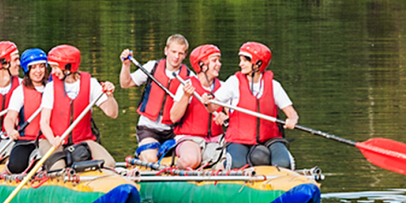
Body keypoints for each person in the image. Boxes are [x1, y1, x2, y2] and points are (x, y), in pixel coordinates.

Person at [212, 41, 299, 169]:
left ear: (258, 63)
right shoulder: (234, 82)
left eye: (245, 61)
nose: (240, 64)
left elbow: (292, 113)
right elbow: (212, 106)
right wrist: (208, 102)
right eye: (240, 60)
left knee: (284, 163)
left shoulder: (274, 85)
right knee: (237, 165)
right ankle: (223, 165)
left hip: (269, 138)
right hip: (239, 139)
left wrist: (292, 120)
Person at [38, 44, 119, 170]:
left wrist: (110, 96)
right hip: (53, 140)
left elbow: (112, 113)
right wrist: (52, 139)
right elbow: (44, 122)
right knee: (58, 169)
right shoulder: (51, 87)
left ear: (67, 67)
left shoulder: (91, 84)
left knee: (109, 163)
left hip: (83, 140)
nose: (52, 72)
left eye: (55, 67)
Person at [118, 34, 193, 163]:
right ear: (166, 50)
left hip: (174, 131)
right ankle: (143, 156)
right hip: (148, 128)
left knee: (184, 159)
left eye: (180, 53)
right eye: (173, 52)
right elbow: (125, 83)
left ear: (185, 55)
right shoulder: (152, 67)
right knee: (152, 159)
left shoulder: (189, 77)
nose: (176, 57)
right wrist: (126, 65)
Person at [168, 44, 225, 169]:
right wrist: (186, 96)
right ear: (202, 65)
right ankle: (177, 167)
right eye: (214, 61)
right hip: (190, 138)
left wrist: (224, 117)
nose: (219, 64)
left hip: (216, 139)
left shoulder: (223, 87)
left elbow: (231, 115)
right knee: (191, 161)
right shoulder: (187, 85)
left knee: (232, 159)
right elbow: (173, 117)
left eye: (219, 60)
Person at [3, 48, 50, 174]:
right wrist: (10, 130)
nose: (38, 71)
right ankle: (7, 170)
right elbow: (10, 117)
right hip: (26, 140)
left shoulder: (53, 88)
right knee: (16, 166)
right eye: (33, 67)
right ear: (27, 70)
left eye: (41, 66)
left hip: (49, 138)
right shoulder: (19, 92)